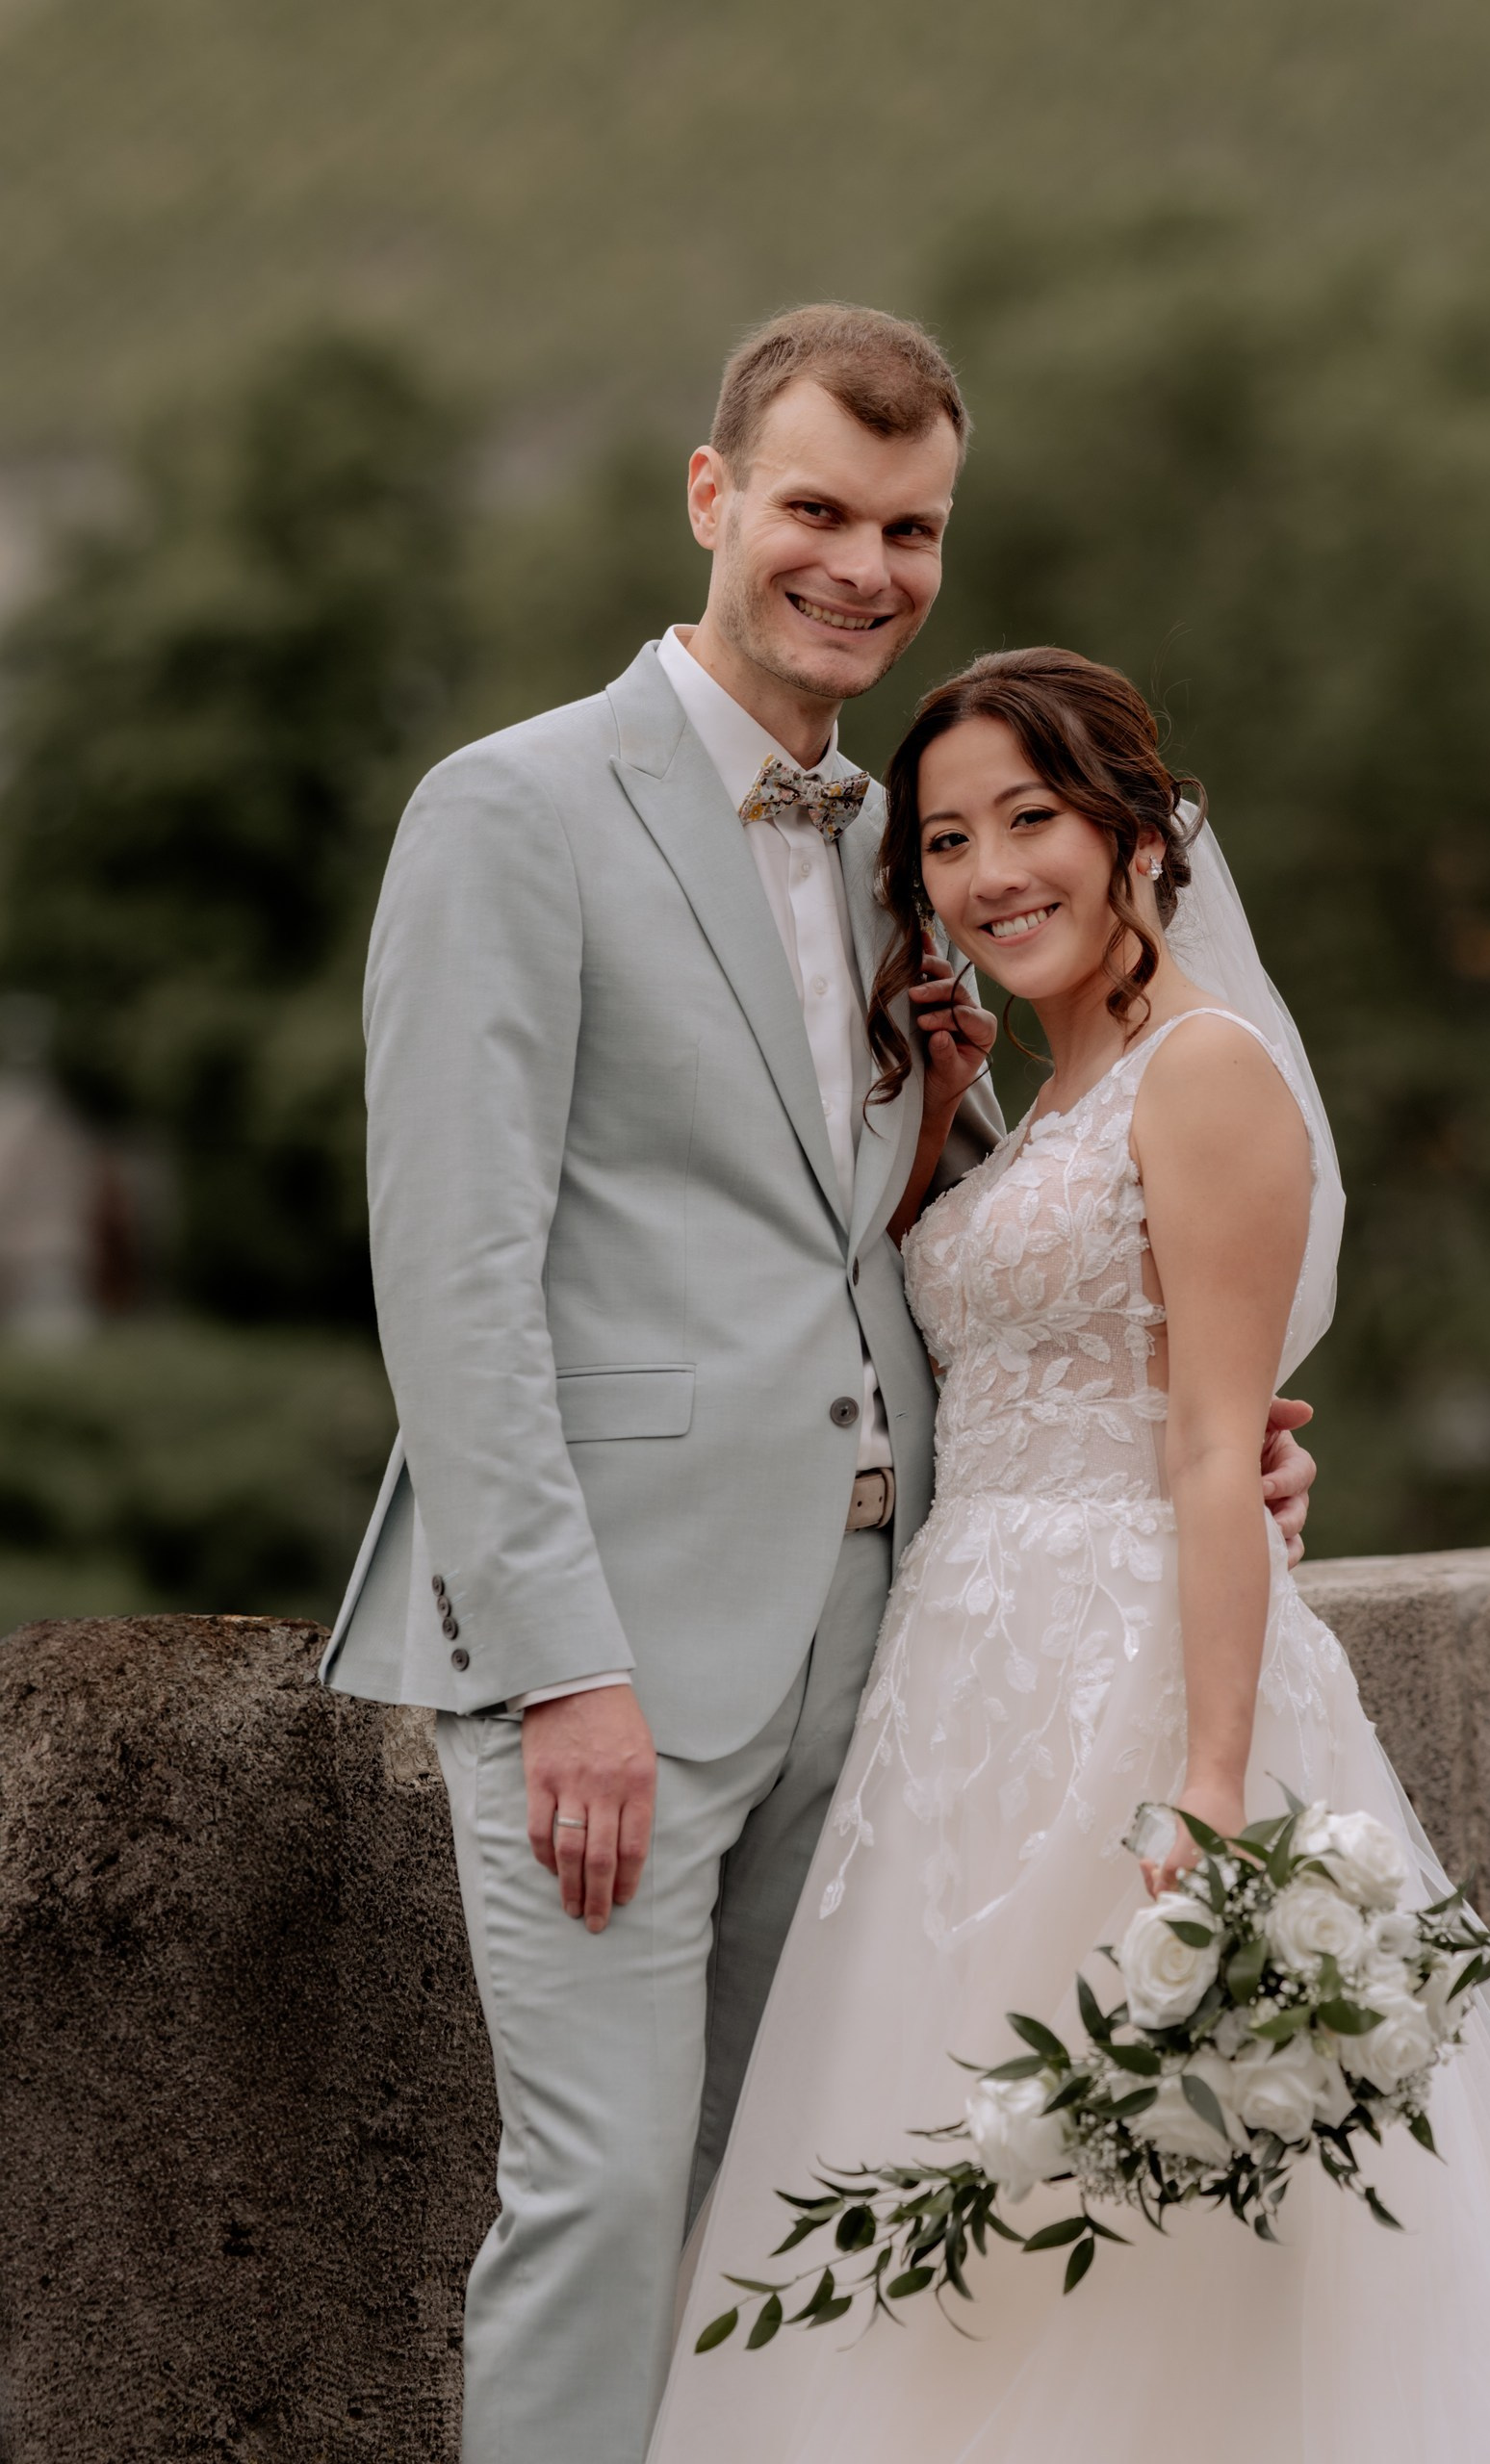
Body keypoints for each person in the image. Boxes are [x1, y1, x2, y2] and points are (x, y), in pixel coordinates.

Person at [318, 311, 1317, 2463]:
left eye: (907, 527)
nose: (859, 565)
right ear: (709, 497)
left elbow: (964, 1221)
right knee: (595, 2191)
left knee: (828, 2200)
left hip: (894, 1648)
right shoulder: (506, 809)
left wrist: (1198, 1423)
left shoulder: (922, 844)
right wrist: (558, 1656)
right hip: (614, 1646)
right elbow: (458, 1266)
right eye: (814, 510)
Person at [649, 648, 1490, 2462]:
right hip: (953, 1691)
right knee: (958, 2191)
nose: (990, 869)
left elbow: (1203, 1440)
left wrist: (1205, 1784)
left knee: (1174, 2232)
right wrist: (935, 1132)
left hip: (1134, 1686)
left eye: (1032, 817)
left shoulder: (1206, 1073)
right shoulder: (1038, 1100)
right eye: (946, 839)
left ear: (1132, 834)